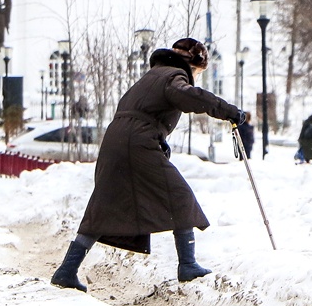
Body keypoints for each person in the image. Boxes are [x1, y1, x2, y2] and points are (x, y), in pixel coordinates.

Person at [50, 38, 246, 292]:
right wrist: (227, 110)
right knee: (178, 194)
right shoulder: (174, 75)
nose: (196, 77)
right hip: (136, 141)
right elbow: (188, 96)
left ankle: (67, 270)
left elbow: (138, 112)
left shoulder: (151, 76)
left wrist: (157, 138)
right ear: (193, 64)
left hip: (117, 139)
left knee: (105, 203)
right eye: (199, 71)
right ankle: (187, 264)